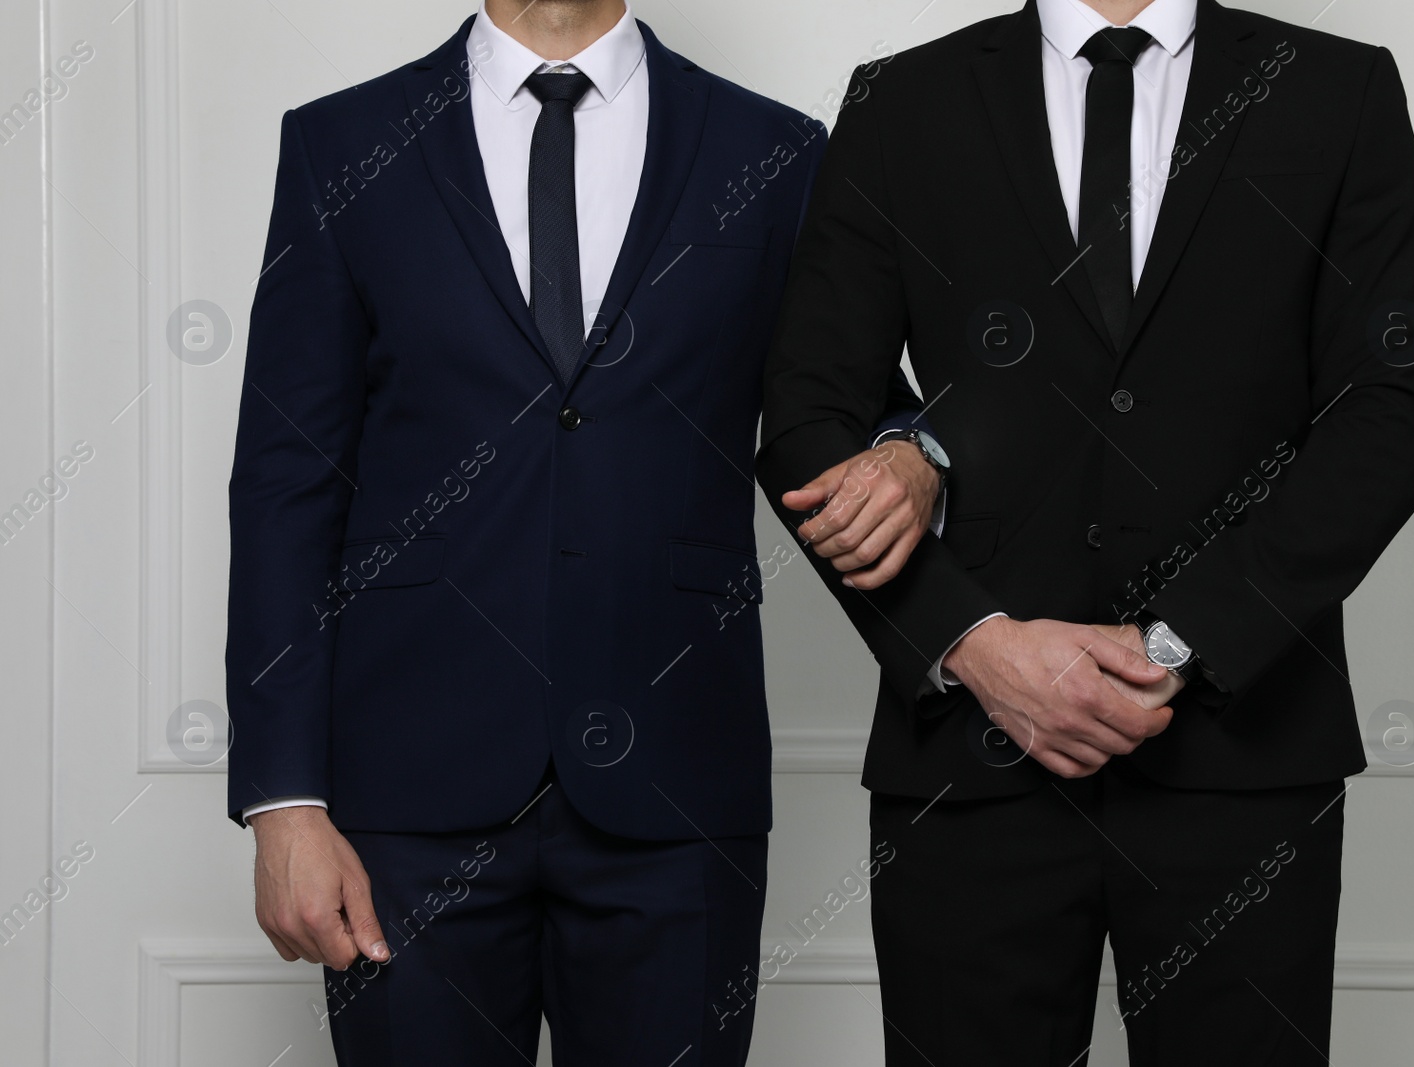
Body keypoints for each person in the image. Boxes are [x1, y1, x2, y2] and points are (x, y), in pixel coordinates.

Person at [225, 2, 943, 1063]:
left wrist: (917, 453)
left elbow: (842, 411)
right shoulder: (343, 141)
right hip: (404, 800)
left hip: (677, 786)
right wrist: (283, 799)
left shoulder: (772, 149)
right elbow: (289, 482)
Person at [757, 0, 1414, 1062]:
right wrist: (975, 643)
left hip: (1243, 761)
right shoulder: (903, 99)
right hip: (969, 768)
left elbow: (1388, 411)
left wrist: (1180, 640)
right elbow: (808, 419)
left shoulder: (1336, 89)